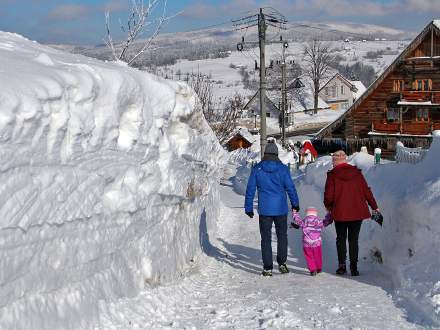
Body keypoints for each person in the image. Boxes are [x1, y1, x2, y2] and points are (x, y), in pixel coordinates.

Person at [245, 141, 300, 277]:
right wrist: (295, 204)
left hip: (265, 210)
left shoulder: (257, 169)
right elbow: (290, 188)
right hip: (280, 209)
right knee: (282, 236)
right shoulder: (283, 169)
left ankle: (268, 268)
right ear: (276, 154)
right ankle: (282, 263)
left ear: (265, 154)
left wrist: (249, 207)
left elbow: (250, 189)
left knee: (266, 238)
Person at [324, 150, 380, 276]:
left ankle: (342, 266)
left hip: (340, 211)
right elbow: (366, 191)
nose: (332, 164)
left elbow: (328, 195)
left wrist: (329, 206)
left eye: (333, 161)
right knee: (353, 240)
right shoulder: (357, 173)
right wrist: (374, 206)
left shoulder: (332, 175)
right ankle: (354, 267)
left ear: (335, 161)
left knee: (341, 239)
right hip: (357, 211)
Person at [291, 207, 333, 276]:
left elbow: (298, 221)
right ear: (315, 214)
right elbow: (326, 222)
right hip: (316, 243)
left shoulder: (304, 221)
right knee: (318, 255)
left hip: (307, 243)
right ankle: (319, 268)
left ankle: (312, 270)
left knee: (309, 256)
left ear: (307, 214)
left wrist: (295, 213)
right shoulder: (319, 221)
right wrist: (329, 213)